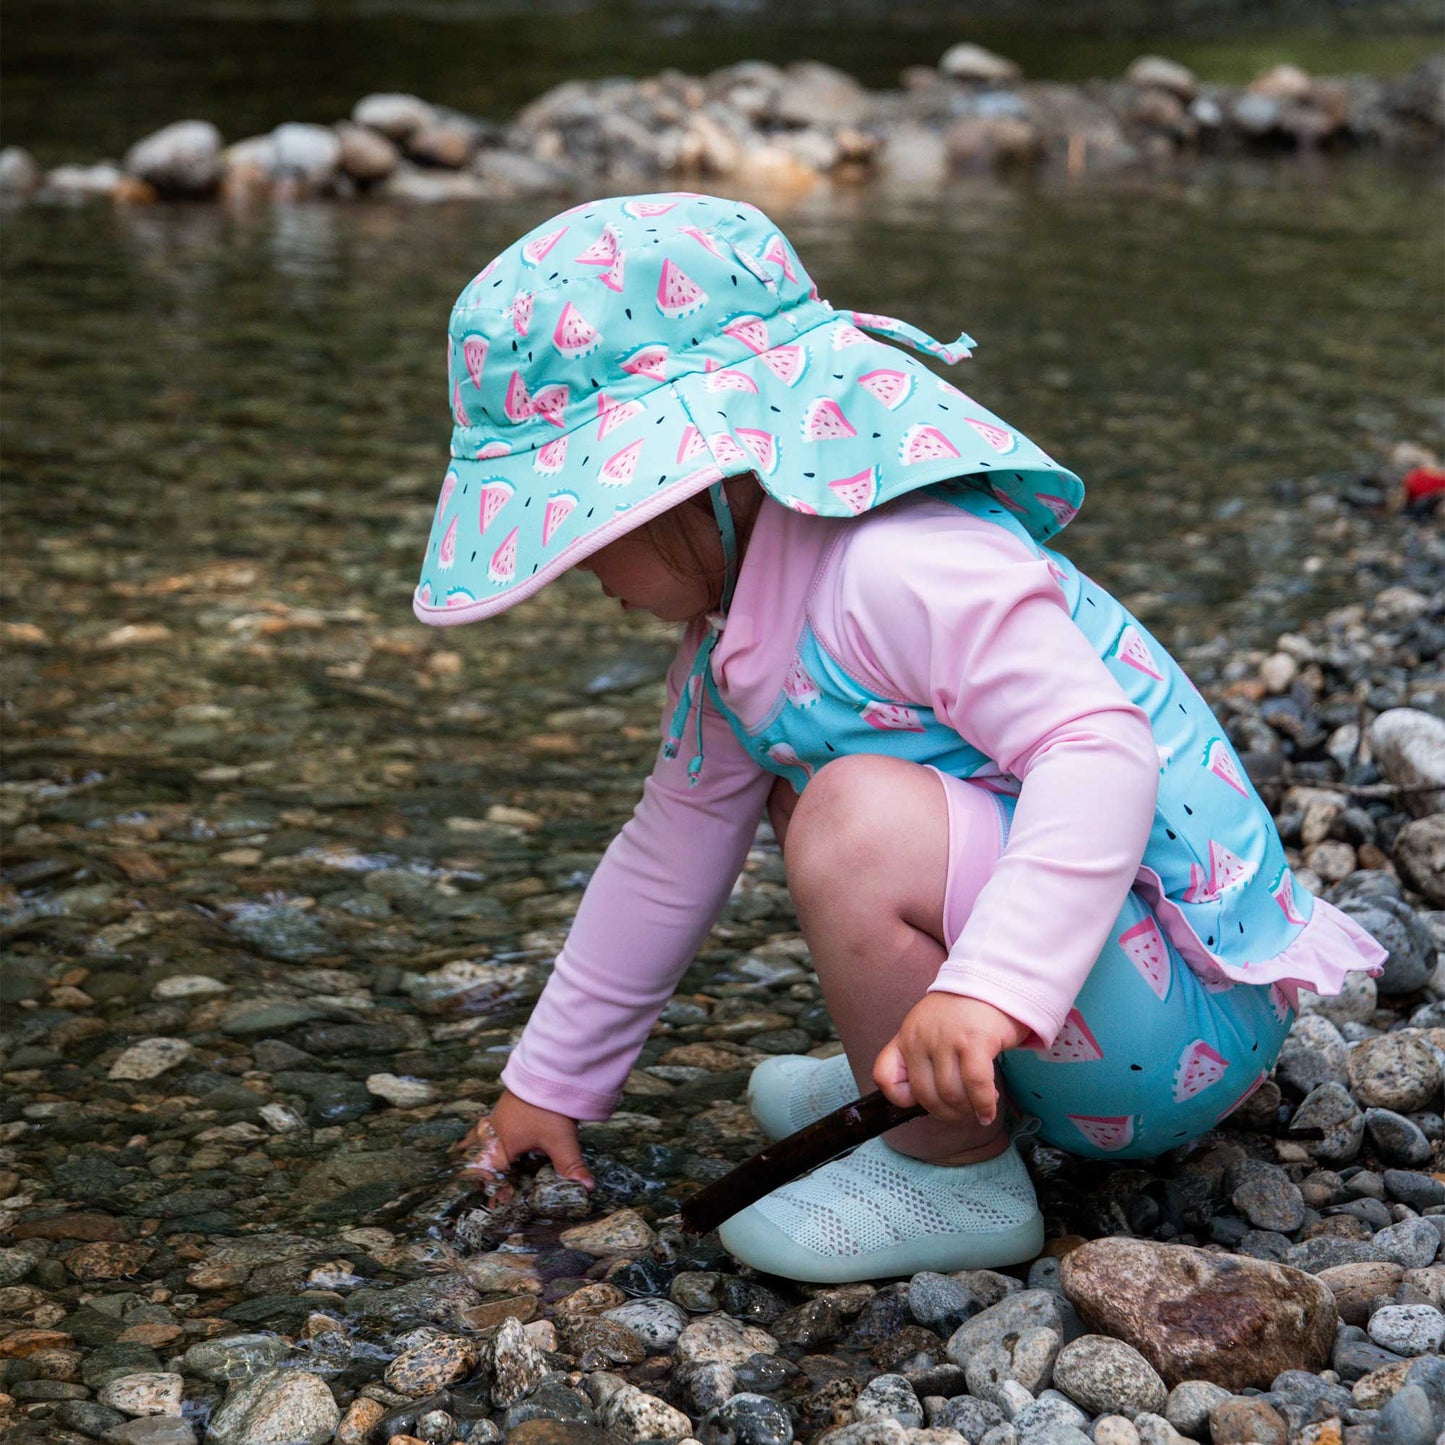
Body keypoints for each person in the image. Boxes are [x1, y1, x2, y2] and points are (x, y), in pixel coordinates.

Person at [414, 192, 1386, 1283]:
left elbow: (1097, 751)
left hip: (1178, 1014)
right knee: (809, 799)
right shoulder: (730, 645)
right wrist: (550, 1083)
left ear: (690, 485)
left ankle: (949, 1168)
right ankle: (939, 1079)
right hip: (1090, 990)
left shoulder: (901, 561)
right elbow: (663, 855)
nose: (581, 580)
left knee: (847, 815)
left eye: (585, 541)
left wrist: (990, 988)